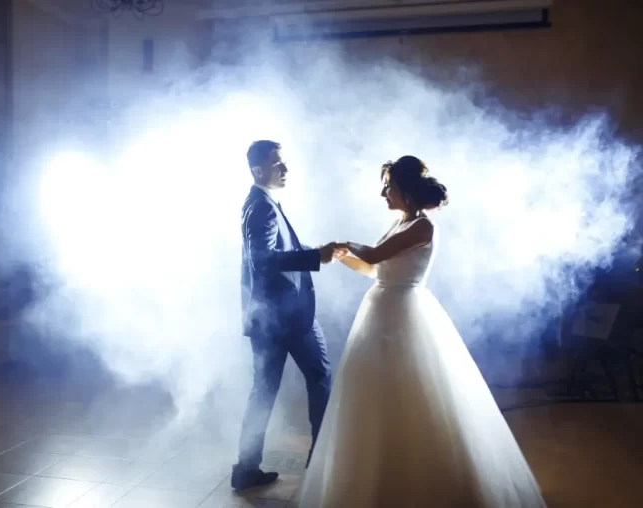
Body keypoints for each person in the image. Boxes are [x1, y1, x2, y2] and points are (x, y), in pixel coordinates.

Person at [299, 156, 546, 507]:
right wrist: (344, 257)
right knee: (375, 393)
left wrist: (346, 243)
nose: (384, 193)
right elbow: (374, 270)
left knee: (411, 389)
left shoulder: (422, 227)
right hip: (381, 308)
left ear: (406, 189)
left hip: (404, 311)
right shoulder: (401, 222)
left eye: (389, 186)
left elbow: (375, 255)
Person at [232, 140, 343, 491]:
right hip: (285, 320)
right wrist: (314, 257)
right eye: (277, 163)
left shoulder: (263, 202)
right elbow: (263, 261)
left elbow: (278, 253)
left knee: (267, 391)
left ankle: (247, 469)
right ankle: (320, 460)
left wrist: (315, 252)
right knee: (317, 379)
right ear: (258, 170)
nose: (285, 169)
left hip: (276, 319)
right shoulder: (261, 207)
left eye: (284, 163)